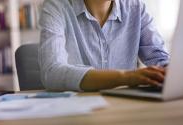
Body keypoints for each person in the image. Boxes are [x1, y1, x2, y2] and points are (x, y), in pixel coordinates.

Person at [38, 0, 169, 92]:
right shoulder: (56, 6)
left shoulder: (136, 7)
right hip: (77, 109)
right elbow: (52, 72)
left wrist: (168, 71)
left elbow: (161, 58)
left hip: (125, 107)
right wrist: (126, 77)